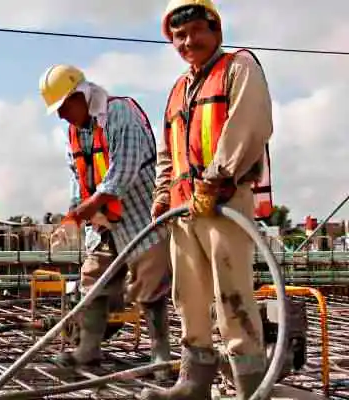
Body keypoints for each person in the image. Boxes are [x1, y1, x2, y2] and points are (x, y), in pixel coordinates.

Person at [141, 0, 274, 398]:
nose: (188, 41)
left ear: (216, 30)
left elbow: (248, 125)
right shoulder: (179, 89)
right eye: (179, 36)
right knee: (189, 299)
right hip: (185, 210)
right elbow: (169, 150)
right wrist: (163, 194)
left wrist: (216, 178)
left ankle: (251, 388)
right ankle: (193, 384)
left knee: (232, 297)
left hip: (224, 203)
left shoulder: (238, 68)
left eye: (197, 31)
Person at [38, 64, 172, 378]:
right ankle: (88, 350)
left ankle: (160, 355)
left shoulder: (119, 114)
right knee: (93, 282)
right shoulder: (75, 130)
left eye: (63, 107)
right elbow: (77, 177)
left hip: (141, 218)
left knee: (150, 287)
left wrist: (85, 209)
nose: (60, 116)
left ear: (81, 95)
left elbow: (122, 173)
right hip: (104, 224)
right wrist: (74, 212)